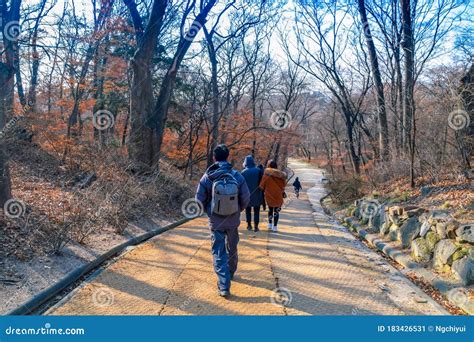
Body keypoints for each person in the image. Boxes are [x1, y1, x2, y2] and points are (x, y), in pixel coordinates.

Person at [196, 145, 250, 298]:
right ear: (228, 157)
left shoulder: (208, 177)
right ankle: (231, 272)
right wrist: (237, 209)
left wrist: (210, 211)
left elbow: (198, 200)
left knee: (218, 251)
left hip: (216, 222)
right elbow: (246, 198)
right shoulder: (237, 176)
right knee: (232, 247)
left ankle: (224, 285)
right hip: (233, 220)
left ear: (214, 158)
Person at [259, 160, 287, 232]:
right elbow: (284, 185)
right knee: (276, 211)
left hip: (269, 195)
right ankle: (275, 226)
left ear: (269, 166)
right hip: (278, 195)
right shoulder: (281, 175)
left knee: (270, 210)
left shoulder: (266, 175)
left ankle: (270, 224)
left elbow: (261, 186)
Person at [241, 155, 263, 232]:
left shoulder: (243, 172)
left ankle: (249, 225)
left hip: (247, 195)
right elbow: (262, 183)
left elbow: (241, 185)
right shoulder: (258, 171)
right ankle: (256, 227)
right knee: (257, 211)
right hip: (257, 194)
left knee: (248, 210)